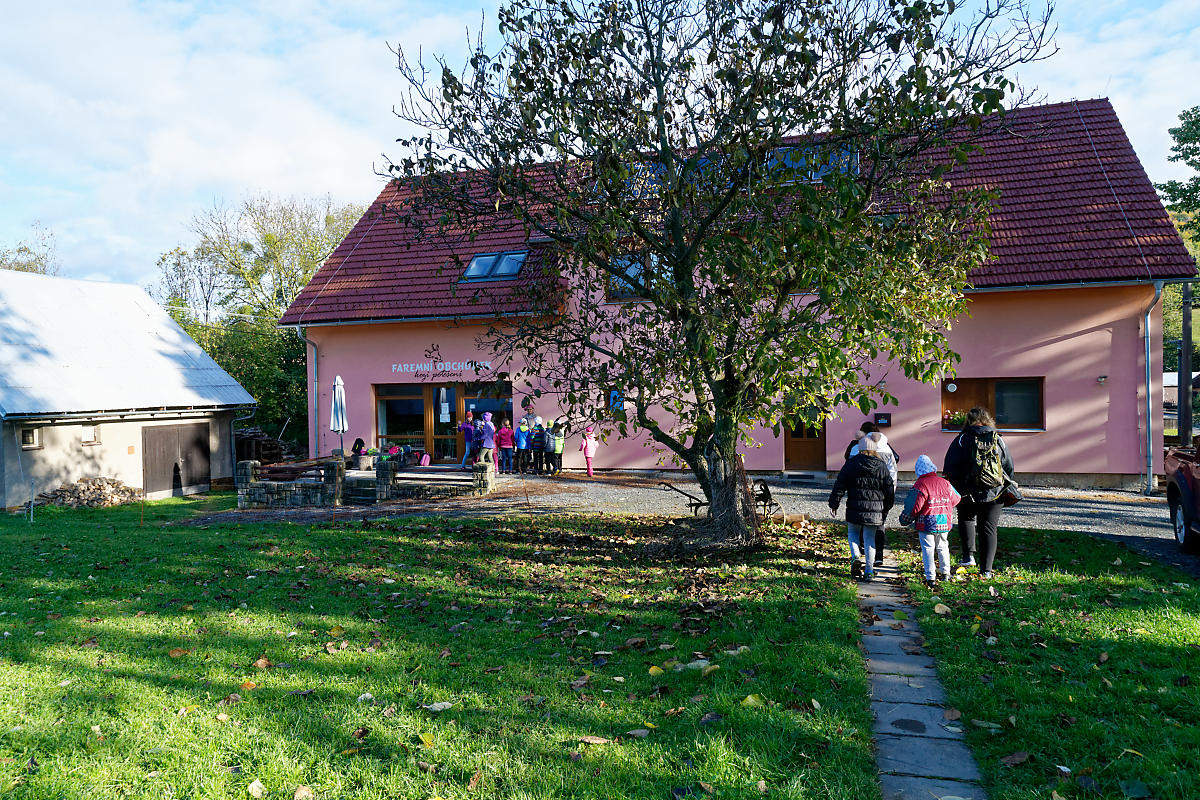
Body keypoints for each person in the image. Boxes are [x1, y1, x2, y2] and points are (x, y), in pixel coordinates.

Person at [943, 407, 1014, 579]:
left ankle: (968, 557)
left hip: (966, 490)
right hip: (994, 491)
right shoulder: (998, 439)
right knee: (988, 528)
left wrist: (955, 486)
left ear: (968, 421)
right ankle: (986, 570)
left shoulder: (961, 439)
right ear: (988, 420)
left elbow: (950, 466)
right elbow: (1008, 466)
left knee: (966, 518)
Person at [828, 435, 895, 582]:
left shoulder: (851, 463)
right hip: (875, 510)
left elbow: (840, 485)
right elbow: (889, 489)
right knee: (870, 539)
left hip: (855, 507)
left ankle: (856, 556)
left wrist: (834, 503)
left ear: (860, 448)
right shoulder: (881, 466)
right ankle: (869, 571)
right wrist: (886, 508)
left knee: (853, 532)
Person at [899, 455, 962, 589]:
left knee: (928, 549)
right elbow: (957, 498)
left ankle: (930, 578)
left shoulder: (920, 485)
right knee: (943, 546)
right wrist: (945, 506)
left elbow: (913, 507)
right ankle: (945, 573)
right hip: (944, 521)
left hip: (926, 523)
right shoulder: (945, 482)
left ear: (918, 471)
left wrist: (904, 519)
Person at [846, 429, 899, 566]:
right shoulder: (885, 454)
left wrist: (835, 501)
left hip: (856, 499)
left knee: (855, 530)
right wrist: (889, 502)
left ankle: (857, 554)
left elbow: (843, 478)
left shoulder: (854, 452)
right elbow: (892, 476)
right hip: (878, 500)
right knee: (876, 529)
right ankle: (873, 563)